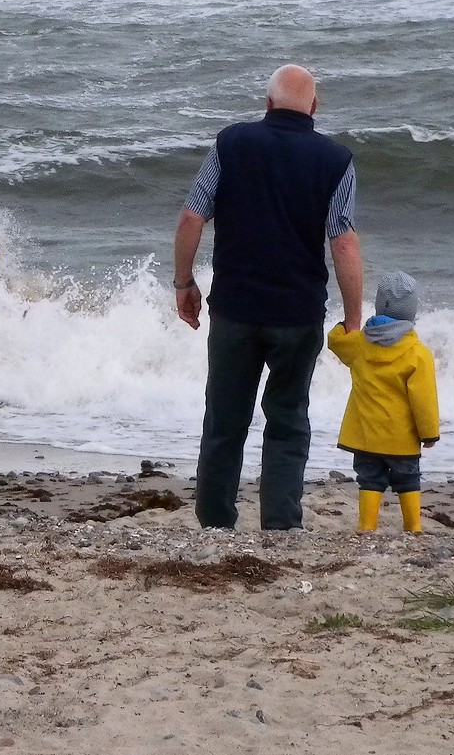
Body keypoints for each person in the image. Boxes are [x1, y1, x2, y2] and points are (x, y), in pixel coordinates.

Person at [173, 64, 363, 531]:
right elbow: (343, 242)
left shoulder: (231, 143)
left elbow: (192, 218)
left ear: (267, 103)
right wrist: (354, 317)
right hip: (297, 315)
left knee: (225, 419)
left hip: (235, 309)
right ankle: (280, 523)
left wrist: (184, 284)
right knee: (288, 419)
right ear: (314, 108)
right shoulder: (335, 160)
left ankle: (215, 522)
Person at [326, 270, 440, 533]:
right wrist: (429, 434)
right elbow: (424, 401)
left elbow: (335, 341)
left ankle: (367, 526)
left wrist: (347, 324)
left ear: (379, 305)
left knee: (369, 480)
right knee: (409, 480)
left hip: (365, 438)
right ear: (411, 312)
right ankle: (413, 526)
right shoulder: (417, 354)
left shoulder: (359, 345)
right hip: (402, 440)